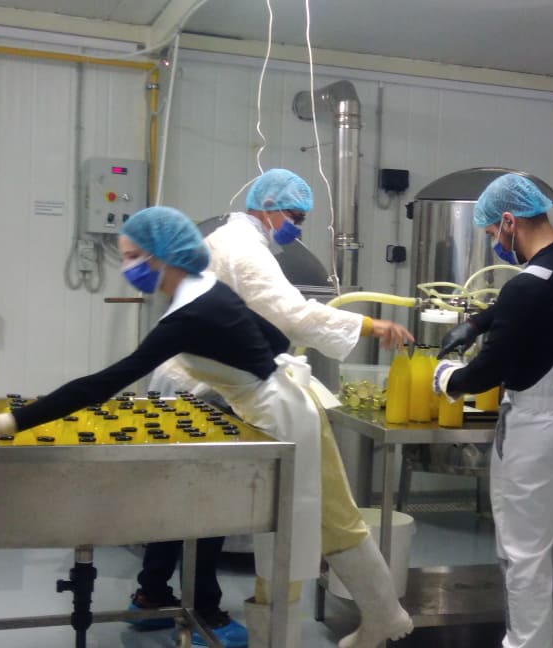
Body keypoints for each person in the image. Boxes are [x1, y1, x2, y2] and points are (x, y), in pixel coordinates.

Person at [0, 207, 312, 648]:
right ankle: (154, 596)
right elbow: (277, 340)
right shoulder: (206, 292)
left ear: (165, 255)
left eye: (135, 257)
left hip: (268, 418)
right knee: (187, 499)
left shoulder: (190, 311)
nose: (129, 268)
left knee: (217, 511)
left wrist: (8, 422)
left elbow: (104, 383)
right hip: (246, 404)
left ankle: (205, 615)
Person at [144, 169, 414, 648]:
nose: (297, 227)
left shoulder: (228, 241)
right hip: (217, 392)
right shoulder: (243, 248)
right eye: (294, 216)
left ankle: (161, 596)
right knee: (298, 511)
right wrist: (371, 326)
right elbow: (292, 313)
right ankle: (372, 614)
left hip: (206, 386)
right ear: (266, 206)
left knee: (215, 508)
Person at [432, 174, 553, 648]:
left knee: (524, 552)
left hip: (536, 430)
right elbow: (545, 300)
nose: (495, 241)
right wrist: (478, 322)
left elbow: (484, 375)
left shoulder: (527, 285)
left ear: (510, 221)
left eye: (494, 232)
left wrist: (447, 377)